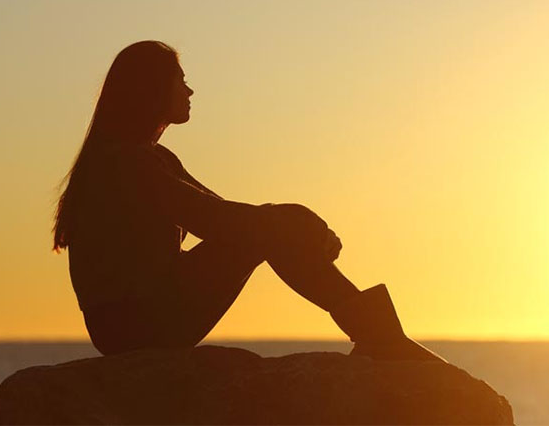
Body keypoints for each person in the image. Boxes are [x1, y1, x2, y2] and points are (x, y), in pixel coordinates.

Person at [52, 40, 444, 362]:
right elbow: (223, 222)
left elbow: (226, 214)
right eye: (181, 80)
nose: (189, 91)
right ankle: (380, 334)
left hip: (143, 317)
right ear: (152, 88)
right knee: (268, 230)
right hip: (137, 325)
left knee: (269, 229)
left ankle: (378, 333)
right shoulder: (125, 163)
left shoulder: (148, 158)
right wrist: (296, 221)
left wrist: (289, 224)